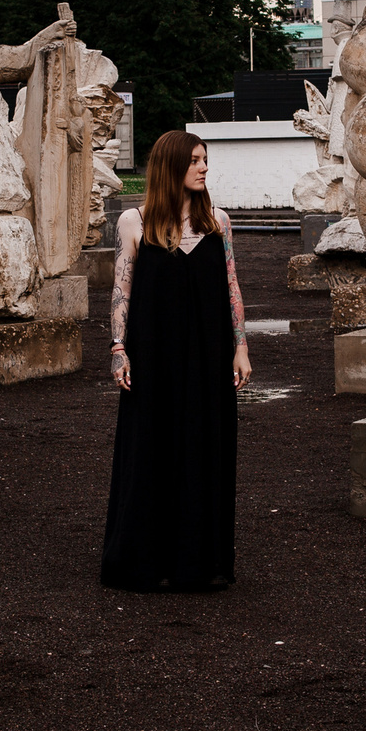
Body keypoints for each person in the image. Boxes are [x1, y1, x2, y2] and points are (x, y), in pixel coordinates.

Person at [102, 130, 252, 592]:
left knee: (205, 449)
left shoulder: (218, 223)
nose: (204, 168)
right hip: (153, 357)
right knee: (152, 450)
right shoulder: (135, 222)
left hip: (209, 358)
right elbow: (121, 290)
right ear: (170, 167)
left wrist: (241, 346)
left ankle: (198, 562)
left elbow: (231, 286)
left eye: (205, 159)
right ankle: (147, 560)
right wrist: (118, 349)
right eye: (194, 160)